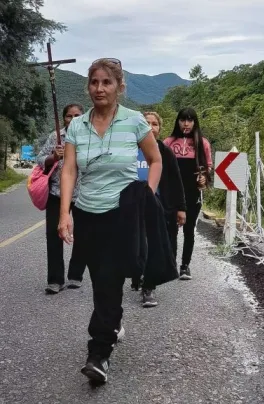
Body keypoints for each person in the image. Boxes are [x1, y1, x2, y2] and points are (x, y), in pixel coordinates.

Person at [58, 58, 163, 383]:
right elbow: (70, 169)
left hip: (122, 216)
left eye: (106, 82)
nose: (99, 88)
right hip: (87, 214)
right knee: (101, 283)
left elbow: (155, 159)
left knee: (109, 282)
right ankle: (112, 323)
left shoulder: (134, 122)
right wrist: (64, 213)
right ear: (88, 86)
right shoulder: (78, 125)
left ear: (119, 86)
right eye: (94, 82)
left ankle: (98, 355)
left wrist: (146, 194)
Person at [130, 111, 187, 307]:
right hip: (130, 206)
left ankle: (149, 287)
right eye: (146, 123)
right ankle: (137, 275)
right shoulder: (128, 149)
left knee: (153, 246)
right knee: (134, 246)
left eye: (155, 124)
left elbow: (176, 181)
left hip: (157, 207)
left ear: (159, 129)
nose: (151, 127)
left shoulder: (165, 152)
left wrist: (181, 208)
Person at [36, 103, 87, 294]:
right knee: (53, 235)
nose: (73, 119)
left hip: (83, 193)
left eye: (77, 116)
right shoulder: (55, 137)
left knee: (83, 235)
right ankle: (55, 280)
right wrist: (53, 157)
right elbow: (40, 159)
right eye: (69, 116)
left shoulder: (89, 136)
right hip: (57, 192)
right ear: (63, 119)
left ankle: (75, 275)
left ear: (83, 117)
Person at [163, 107, 213, 281]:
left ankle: (185, 266)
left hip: (192, 193)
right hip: (171, 194)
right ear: (178, 121)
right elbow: (160, 167)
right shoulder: (168, 142)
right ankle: (171, 265)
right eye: (183, 119)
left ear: (195, 122)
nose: (186, 123)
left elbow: (208, 167)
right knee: (171, 230)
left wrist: (204, 179)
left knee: (189, 230)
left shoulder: (203, 143)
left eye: (190, 120)